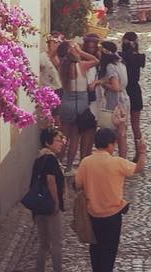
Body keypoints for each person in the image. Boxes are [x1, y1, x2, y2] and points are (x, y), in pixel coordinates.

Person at [75, 127, 147, 272]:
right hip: (112, 215)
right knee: (109, 251)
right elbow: (138, 168)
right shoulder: (117, 163)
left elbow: (77, 185)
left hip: (93, 214)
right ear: (110, 144)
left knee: (95, 249)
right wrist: (142, 151)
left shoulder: (86, 162)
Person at [56, 40, 99, 171]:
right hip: (80, 105)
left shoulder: (62, 67)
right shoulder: (82, 66)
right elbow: (96, 60)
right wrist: (81, 52)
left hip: (66, 102)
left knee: (64, 136)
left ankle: (58, 164)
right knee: (75, 137)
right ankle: (69, 167)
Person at [30, 127, 66, 272]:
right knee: (56, 243)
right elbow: (51, 181)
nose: (61, 143)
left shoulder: (39, 158)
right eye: (58, 140)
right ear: (47, 142)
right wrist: (56, 202)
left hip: (38, 206)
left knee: (44, 244)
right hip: (50, 205)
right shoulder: (50, 159)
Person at [94, 41, 130, 158]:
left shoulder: (110, 67)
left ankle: (113, 159)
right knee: (122, 133)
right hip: (124, 98)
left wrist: (103, 84)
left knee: (115, 133)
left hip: (116, 102)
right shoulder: (121, 64)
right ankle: (122, 159)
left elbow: (115, 86)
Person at [121, 31, 145, 153]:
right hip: (135, 91)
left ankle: (122, 151)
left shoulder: (120, 56)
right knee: (136, 126)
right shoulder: (140, 57)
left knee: (121, 126)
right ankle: (139, 152)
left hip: (123, 91)